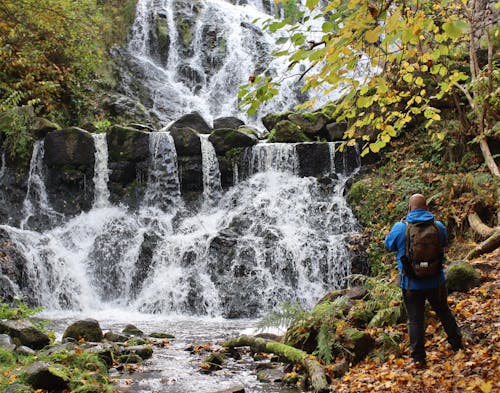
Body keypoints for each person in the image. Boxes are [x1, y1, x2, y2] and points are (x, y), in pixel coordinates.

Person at [385, 193, 463, 368]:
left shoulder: (400, 227)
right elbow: (444, 243)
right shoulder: (438, 226)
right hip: (436, 281)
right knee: (443, 311)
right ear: (427, 208)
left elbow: (388, 245)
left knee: (415, 320)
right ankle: (457, 345)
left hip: (411, 284)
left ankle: (419, 358)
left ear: (410, 208)